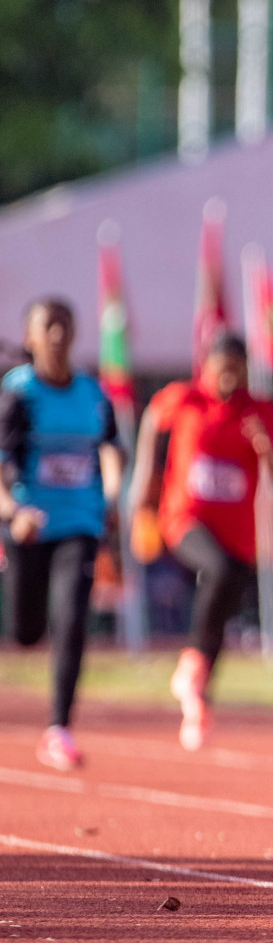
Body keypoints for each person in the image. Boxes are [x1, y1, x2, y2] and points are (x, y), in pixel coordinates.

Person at [128, 334, 273, 751]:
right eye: (222, 366)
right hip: (185, 520)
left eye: (237, 366)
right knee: (217, 570)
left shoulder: (260, 409)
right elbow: (150, 420)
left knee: (223, 607)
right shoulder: (186, 398)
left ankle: (198, 701)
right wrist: (144, 481)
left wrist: (266, 449)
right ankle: (191, 669)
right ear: (208, 366)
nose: (229, 375)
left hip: (239, 534)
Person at [0, 298, 124, 770]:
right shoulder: (19, 392)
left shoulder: (92, 392)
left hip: (80, 522)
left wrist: (111, 491)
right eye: (47, 326)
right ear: (30, 337)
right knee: (28, 631)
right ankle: (30, 631)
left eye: (65, 326)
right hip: (29, 524)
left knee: (72, 616)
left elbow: (111, 447)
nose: (57, 335)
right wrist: (14, 510)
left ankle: (59, 729)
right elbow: (3, 463)